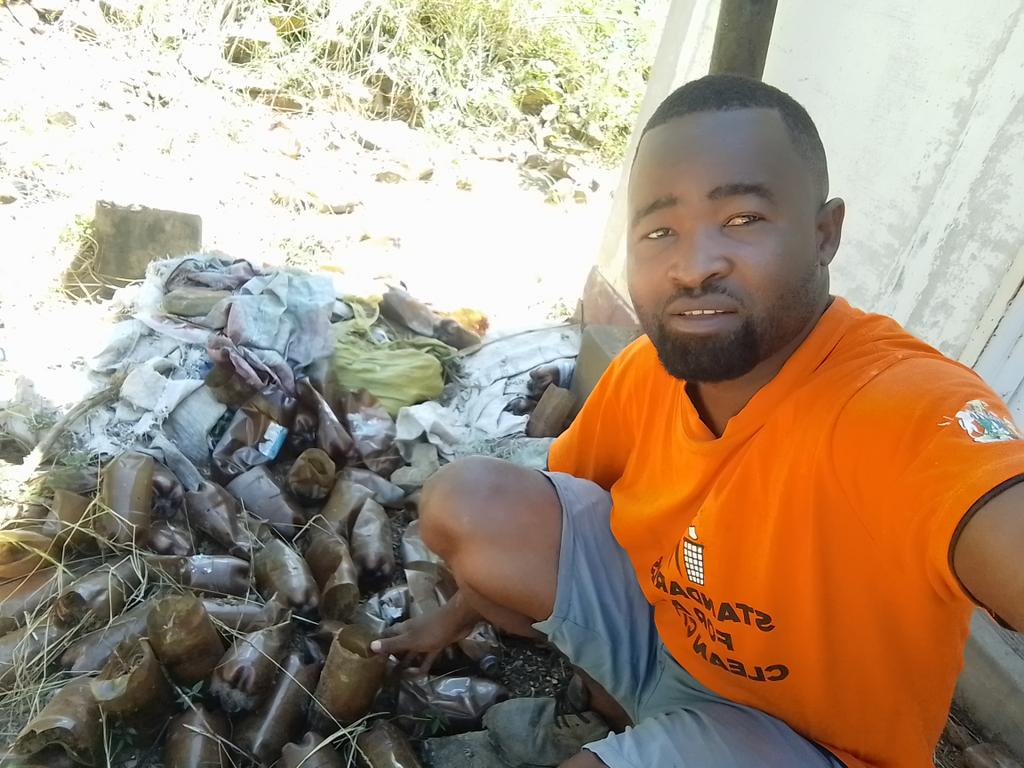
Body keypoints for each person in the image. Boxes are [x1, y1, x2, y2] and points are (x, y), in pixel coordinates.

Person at [371, 74, 1024, 768]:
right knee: (466, 500)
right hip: (667, 650)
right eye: (659, 230)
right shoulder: (648, 371)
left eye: (741, 219)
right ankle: (625, 716)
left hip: (805, 745)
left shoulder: (905, 406)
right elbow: (553, 518)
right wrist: (453, 615)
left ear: (824, 233)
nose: (693, 267)